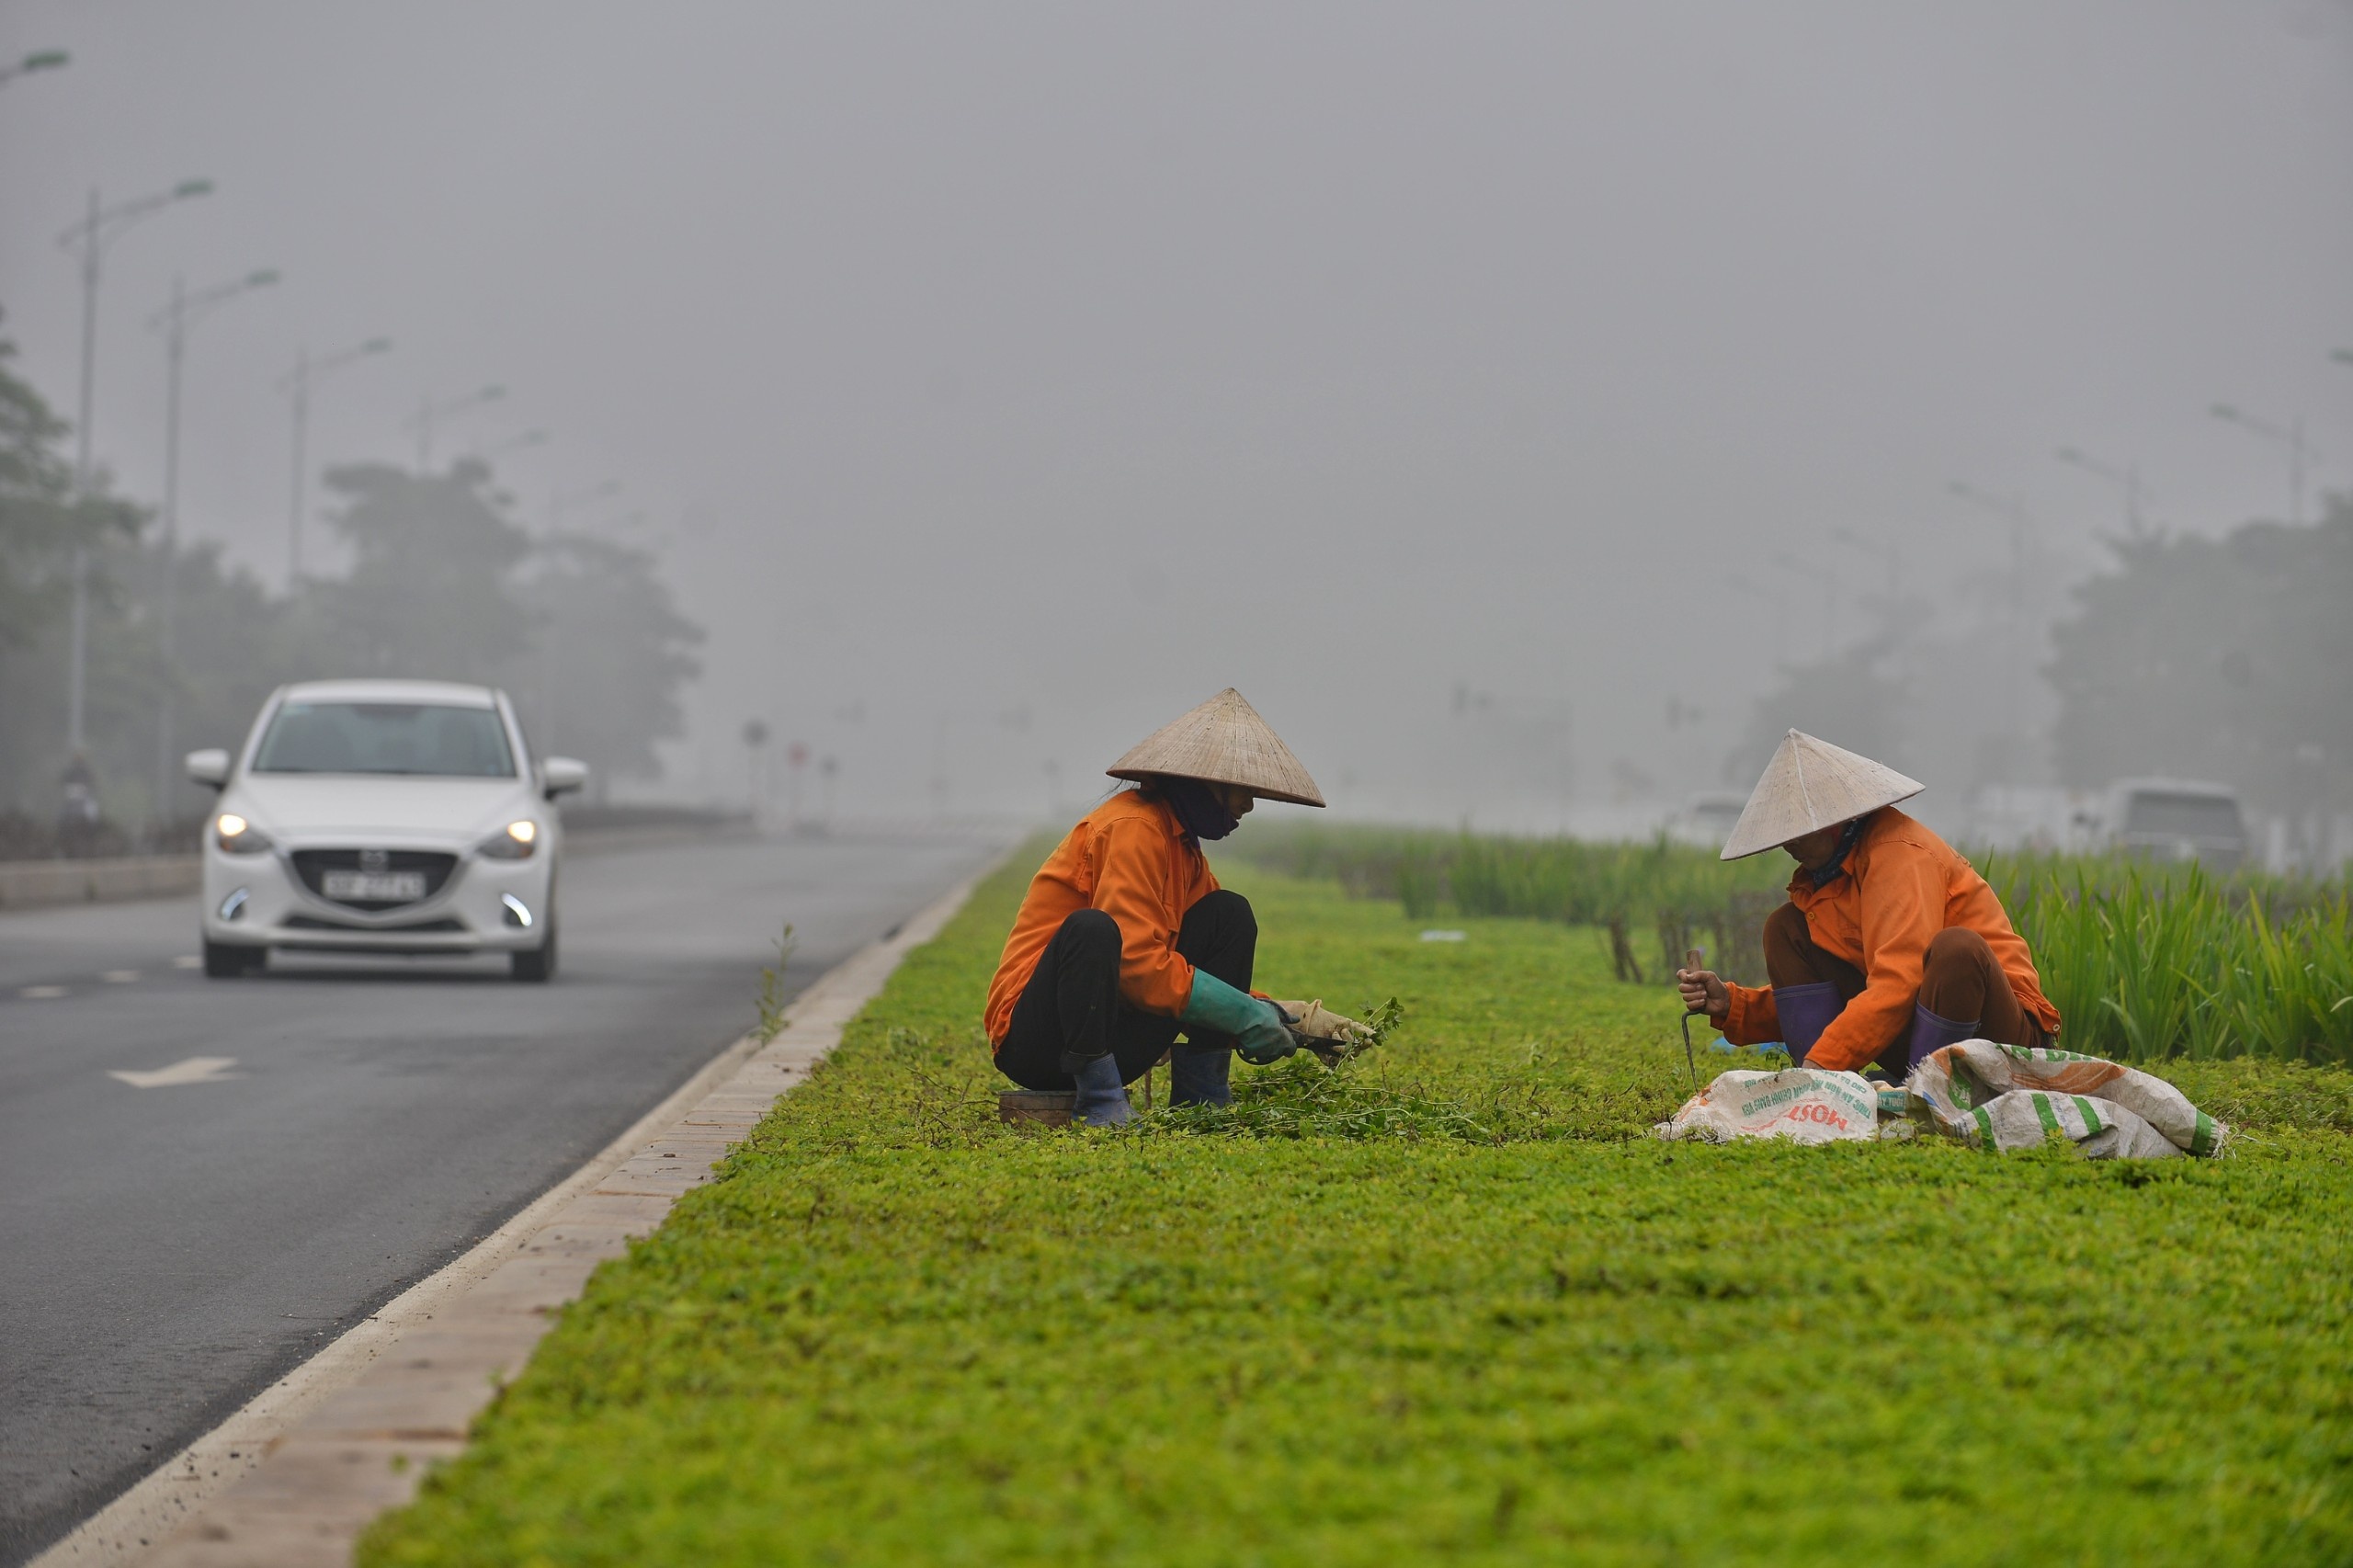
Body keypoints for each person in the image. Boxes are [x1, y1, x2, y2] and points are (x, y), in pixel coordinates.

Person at [985, 687, 1325, 1125]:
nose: (1248, 804)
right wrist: (1244, 1014)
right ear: (1203, 783)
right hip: (1038, 1041)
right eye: (1241, 789)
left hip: (1118, 1042)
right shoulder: (1132, 828)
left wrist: (1286, 1015)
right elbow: (1135, 965)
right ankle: (1100, 1100)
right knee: (1092, 929)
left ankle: (1202, 1097)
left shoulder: (1183, 848)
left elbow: (1197, 971)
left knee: (1229, 915)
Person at [1676, 729, 2061, 1078]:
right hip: (1919, 1033)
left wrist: (1822, 1063)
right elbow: (1842, 996)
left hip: (2001, 1037)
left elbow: (1897, 983)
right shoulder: (1830, 879)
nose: (1788, 845)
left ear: (1832, 821)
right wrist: (1733, 1004)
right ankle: (1827, 1091)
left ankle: (1925, 1092)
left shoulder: (1898, 854)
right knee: (1786, 927)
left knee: (1957, 949)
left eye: (1796, 832)